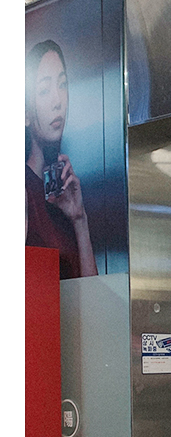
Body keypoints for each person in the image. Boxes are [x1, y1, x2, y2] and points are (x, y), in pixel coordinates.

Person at [25, 38, 97, 278]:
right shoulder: (22, 190)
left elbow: (91, 294)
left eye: (62, 84)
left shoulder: (66, 193)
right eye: (44, 90)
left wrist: (79, 218)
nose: (57, 101)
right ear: (25, 113)